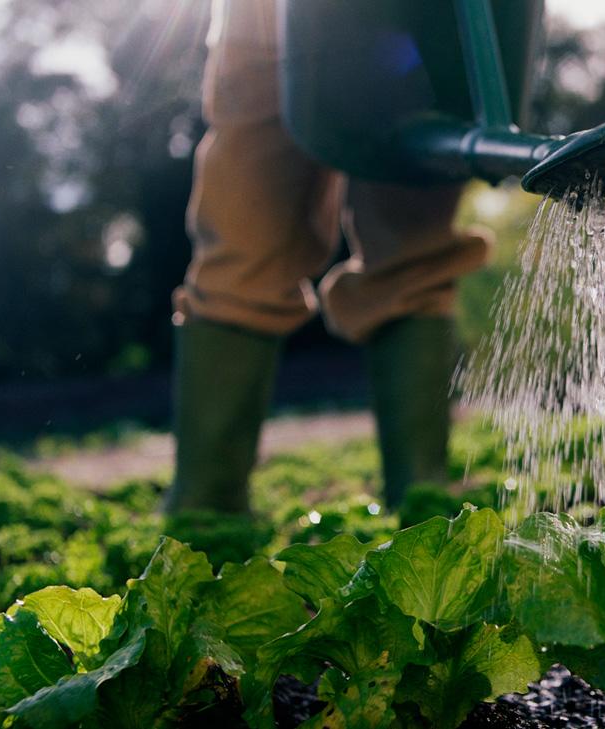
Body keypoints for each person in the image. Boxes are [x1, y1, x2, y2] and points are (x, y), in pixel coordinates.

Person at [165, 0, 491, 514]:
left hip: (416, 26)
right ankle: (206, 507)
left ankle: (423, 504)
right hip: (269, 25)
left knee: (411, 245)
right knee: (245, 239)